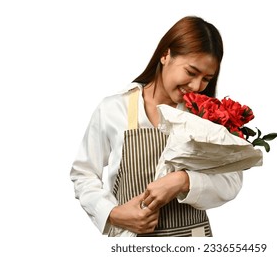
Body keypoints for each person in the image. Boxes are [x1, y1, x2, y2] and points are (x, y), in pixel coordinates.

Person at [70, 16, 243, 237]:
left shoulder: (206, 117)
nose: (196, 86)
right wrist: (112, 213)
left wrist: (184, 181)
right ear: (165, 55)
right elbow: (83, 173)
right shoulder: (114, 109)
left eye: (206, 78)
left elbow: (231, 180)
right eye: (191, 72)